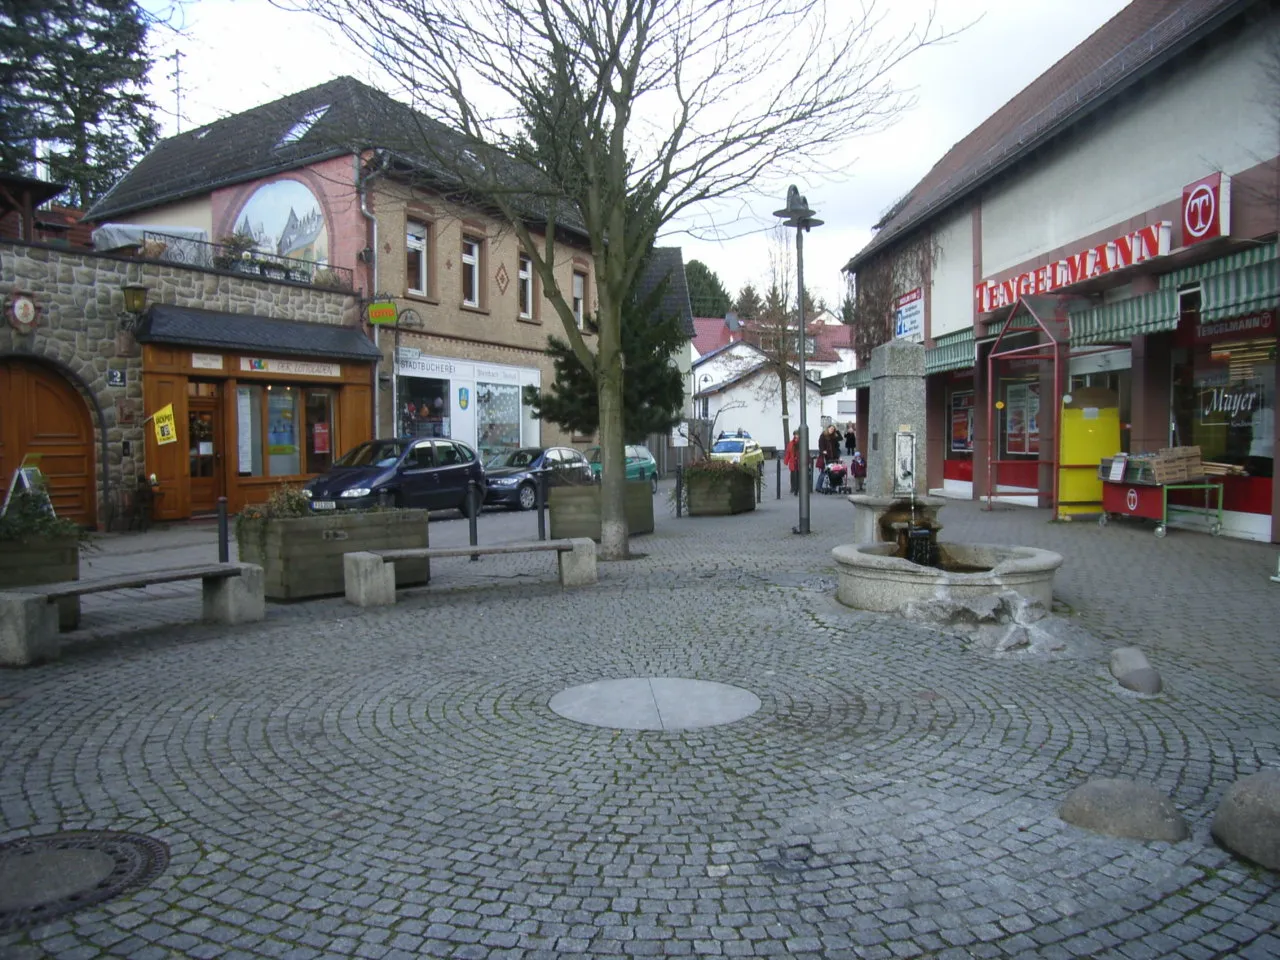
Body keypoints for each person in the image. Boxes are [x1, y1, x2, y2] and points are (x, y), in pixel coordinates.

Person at [783, 429, 800, 495]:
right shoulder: (791, 443)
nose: (796, 436)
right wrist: (786, 461)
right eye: (795, 434)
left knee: (799, 475)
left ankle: (797, 488)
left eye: (797, 434)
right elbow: (788, 453)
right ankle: (793, 487)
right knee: (793, 475)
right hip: (793, 462)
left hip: (799, 462)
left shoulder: (801, 442)